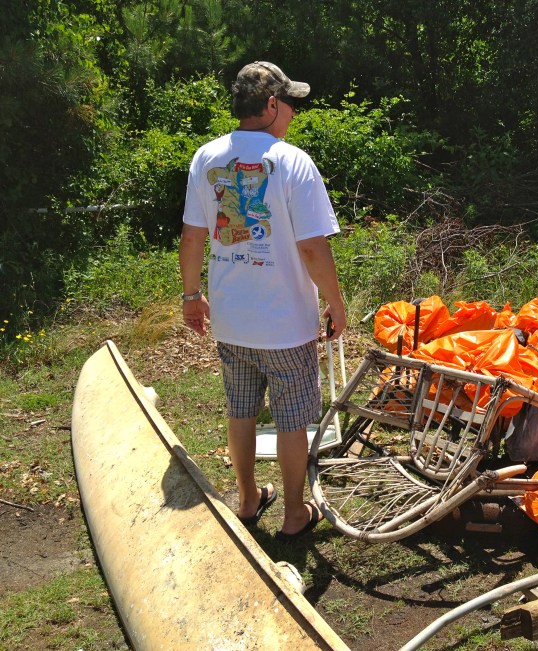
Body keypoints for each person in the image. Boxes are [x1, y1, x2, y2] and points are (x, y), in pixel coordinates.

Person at [179, 61, 346, 541]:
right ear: (271, 104)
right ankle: (296, 513)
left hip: (232, 320)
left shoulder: (205, 158)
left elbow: (192, 237)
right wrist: (335, 303)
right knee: (293, 419)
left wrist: (193, 296)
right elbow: (312, 247)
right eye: (290, 101)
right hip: (285, 323)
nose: (293, 111)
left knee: (241, 409)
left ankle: (249, 498)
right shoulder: (293, 162)